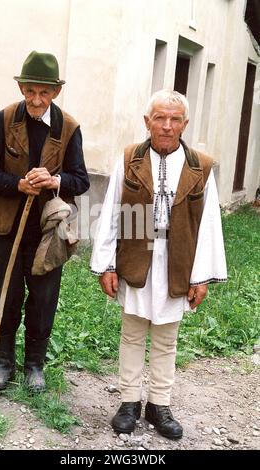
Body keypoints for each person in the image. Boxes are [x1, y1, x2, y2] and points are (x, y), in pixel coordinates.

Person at [90, 89, 227, 439]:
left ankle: (159, 405)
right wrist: (106, 265)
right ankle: (129, 402)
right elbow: (110, 215)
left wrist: (201, 277)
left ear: (184, 124)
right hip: (136, 259)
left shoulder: (201, 166)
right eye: (160, 118)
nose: (167, 126)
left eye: (174, 119)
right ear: (147, 122)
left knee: (167, 339)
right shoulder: (129, 159)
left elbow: (208, 225)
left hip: (177, 262)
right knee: (132, 333)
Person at [0, 51, 90, 393]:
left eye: (44, 92)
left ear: (55, 92)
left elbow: (81, 180)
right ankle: (2, 362)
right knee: (6, 295)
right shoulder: (4, 119)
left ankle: (34, 366)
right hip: (9, 227)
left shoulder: (68, 127)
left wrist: (54, 180)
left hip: (49, 233)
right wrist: (18, 184)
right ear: (21, 87)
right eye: (30, 91)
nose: (36, 99)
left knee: (43, 298)